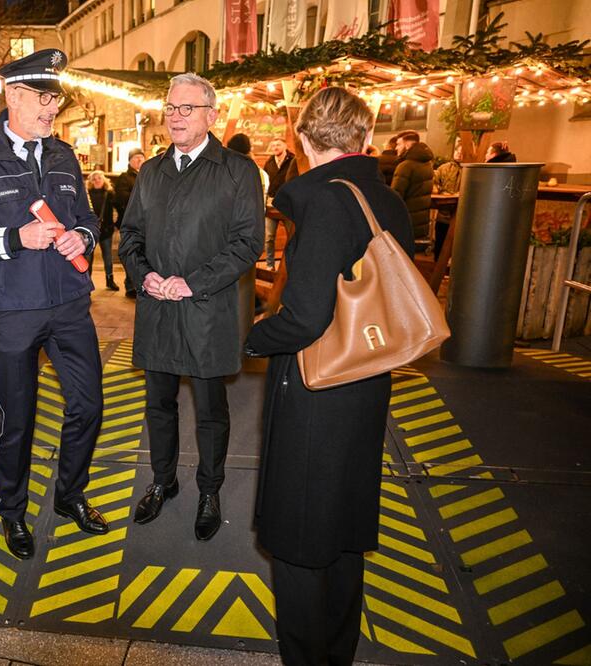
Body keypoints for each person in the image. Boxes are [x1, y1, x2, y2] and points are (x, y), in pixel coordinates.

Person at [245, 87, 414, 666]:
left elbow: (305, 317)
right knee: (343, 525)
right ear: (366, 138)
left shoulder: (322, 203)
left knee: (298, 534)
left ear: (302, 140)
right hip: (368, 378)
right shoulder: (385, 199)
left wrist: (248, 338)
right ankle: (339, 651)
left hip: (319, 385)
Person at [0, 48, 108, 560]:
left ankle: (70, 495)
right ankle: (12, 511)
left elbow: (88, 218)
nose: (52, 107)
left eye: (55, 97)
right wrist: (17, 238)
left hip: (69, 305)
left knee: (89, 405)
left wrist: (82, 237)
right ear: (13, 96)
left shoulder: (63, 156)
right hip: (12, 310)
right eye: (43, 97)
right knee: (19, 416)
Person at [119, 73, 263, 541]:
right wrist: (146, 275)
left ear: (211, 115)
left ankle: (209, 489)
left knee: (209, 410)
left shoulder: (237, 170)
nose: (175, 117)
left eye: (186, 109)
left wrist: (191, 283)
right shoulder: (151, 171)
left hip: (205, 312)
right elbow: (130, 235)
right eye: (170, 108)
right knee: (158, 406)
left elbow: (248, 244)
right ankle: (163, 481)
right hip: (158, 308)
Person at [112, 148, 146, 297]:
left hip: (146, 223)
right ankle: (130, 285)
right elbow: (121, 198)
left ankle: (140, 283)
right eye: (136, 157)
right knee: (131, 252)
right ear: (130, 161)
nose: (139, 160)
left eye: (141, 157)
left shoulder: (147, 175)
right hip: (131, 221)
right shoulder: (124, 178)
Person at [391, 130, 434, 241]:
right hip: (421, 223)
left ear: (407, 145)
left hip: (404, 223)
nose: (396, 148)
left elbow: (395, 198)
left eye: (399, 144)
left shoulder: (405, 166)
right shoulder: (427, 164)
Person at [262, 137, 294, 269]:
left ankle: (290, 266)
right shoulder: (269, 162)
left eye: (278, 145)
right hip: (271, 204)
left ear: (285, 146)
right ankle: (270, 265)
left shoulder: (293, 161)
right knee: (268, 237)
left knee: (292, 237)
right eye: (273, 145)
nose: (275, 147)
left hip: (288, 205)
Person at [86, 170, 119, 290]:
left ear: (104, 180)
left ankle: (110, 280)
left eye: (99, 178)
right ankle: (87, 283)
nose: (97, 181)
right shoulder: (87, 194)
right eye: (94, 179)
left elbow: (117, 210)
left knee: (108, 257)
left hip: (106, 230)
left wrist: (114, 223)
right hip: (91, 230)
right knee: (88, 258)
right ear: (90, 182)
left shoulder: (109, 194)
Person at [433, 140, 464, 258]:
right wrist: (438, 190)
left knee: (456, 247)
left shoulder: (468, 170)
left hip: (460, 216)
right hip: (443, 214)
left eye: (462, 152)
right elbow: (435, 183)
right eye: (457, 150)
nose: (459, 154)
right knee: (440, 244)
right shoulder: (444, 168)